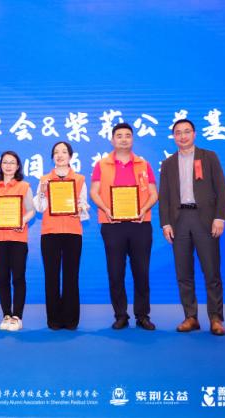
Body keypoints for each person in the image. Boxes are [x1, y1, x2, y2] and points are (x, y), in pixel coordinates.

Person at [159, 119, 225, 336]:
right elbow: (164, 197)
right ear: (173, 137)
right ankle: (191, 317)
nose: (183, 136)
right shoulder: (168, 163)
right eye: (178, 133)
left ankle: (216, 318)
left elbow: (221, 188)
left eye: (187, 131)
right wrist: (165, 223)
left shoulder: (209, 157)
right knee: (183, 272)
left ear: (194, 134)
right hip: (179, 220)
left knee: (211, 271)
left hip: (204, 219)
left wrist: (219, 217)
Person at [90, 123, 158, 331]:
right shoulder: (102, 165)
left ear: (133, 139)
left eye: (128, 135)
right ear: (112, 140)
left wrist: (143, 209)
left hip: (140, 224)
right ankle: (120, 315)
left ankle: (142, 315)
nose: (123, 139)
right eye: (119, 136)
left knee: (141, 272)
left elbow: (154, 194)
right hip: (112, 225)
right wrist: (106, 210)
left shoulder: (144, 164)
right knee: (115, 272)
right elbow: (94, 192)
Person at [33, 142, 89, 330]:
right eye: (56, 152)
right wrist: (42, 192)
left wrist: (79, 209)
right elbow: (39, 208)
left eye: (64, 152)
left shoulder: (79, 179)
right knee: (51, 276)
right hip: (50, 233)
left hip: (73, 233)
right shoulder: (44, 179)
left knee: (71, 276)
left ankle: (71, 319)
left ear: (70, 156)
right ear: (52, 157)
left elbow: (83, 205)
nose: (60, 155)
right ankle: (54, 320)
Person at [0, 151, 35, 332]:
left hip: (17, 238)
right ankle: (6, 314)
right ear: (0, 166)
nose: (8, 166)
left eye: (12, 162)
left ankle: (17, 317)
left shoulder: (24, 186)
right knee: (2, 278)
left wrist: (22, 221)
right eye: (5, 162)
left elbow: (31, 210)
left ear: (17, 166)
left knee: (18, 277)